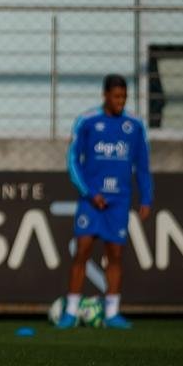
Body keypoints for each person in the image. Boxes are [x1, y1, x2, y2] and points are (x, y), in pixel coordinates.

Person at [58, 74, 152, 330]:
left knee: (115, 255)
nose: (121, 101)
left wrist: (146, 197)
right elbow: (72, 161)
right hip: (91, 201)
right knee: (82, 251)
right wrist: (90, 193)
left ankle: (112, 312)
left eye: (124, 97)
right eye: (116, 96)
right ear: (106, 95)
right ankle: (71, 311)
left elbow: (143, 166)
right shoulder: (87, 121)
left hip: (119, 201)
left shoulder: (134, 125)